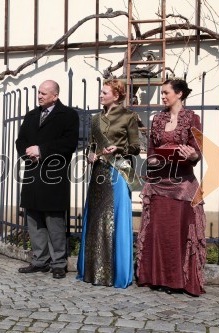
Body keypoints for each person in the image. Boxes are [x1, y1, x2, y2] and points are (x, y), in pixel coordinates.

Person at [135, 79, 206, 296]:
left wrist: (191, 155)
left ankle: (178, 281)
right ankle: (157, 278)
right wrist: (154, 160)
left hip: (183, 184)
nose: (163, 97)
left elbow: (197, 151)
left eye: (166, 92)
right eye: (162, 93)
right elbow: (152, 151)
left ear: (180, 93)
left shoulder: (192, 119)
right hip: (158, 183)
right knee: (158, 232)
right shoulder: (157, 119)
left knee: (179, 233)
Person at [76, 78, 141, 288]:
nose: (101, 95)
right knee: (95, 218)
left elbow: (135, 147)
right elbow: (92, 145)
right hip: (98, 173)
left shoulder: (129, 116)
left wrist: (119, 150)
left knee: (115, 220)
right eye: (101, 92)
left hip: (119, 172)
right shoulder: (95, 119)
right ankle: (93, 271)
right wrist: (90, 154)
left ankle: (116, 273)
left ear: (116, 94)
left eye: (105, 92)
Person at [15, 80, 79, 279]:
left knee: (54, 221)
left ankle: (59, 262)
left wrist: (42, 151)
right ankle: (39, 260)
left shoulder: (68, 115)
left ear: (55, 95)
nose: (40, 96)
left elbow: (69, 143)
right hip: (33, 172)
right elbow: (20, 140)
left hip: (54, 175)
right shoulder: (32, 115)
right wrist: (28, 153)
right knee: (34, 220)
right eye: (39, 93)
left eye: (44, 93)